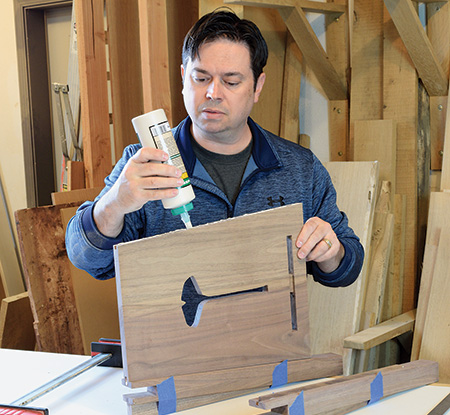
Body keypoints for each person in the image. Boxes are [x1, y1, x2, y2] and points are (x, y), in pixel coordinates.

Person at [65, 9, 364, 286]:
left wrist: (331, 251)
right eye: (201, 78)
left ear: (257, 87)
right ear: (184, 78)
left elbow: (347, 267)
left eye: (231, 82)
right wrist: (114, 204)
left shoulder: (299, 169)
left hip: (269, 339)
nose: (212, 93)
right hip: (174, 339)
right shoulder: (144, 165)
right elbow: (87, 260)